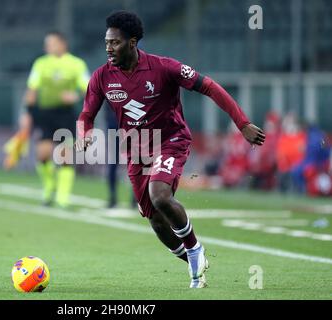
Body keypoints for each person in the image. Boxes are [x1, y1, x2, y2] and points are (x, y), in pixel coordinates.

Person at [75, 11, 265, 288]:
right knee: (156, 221)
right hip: (137, 151)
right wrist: (84, 134)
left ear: (132, 42)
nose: (108, 48)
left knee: (160, 195)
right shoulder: (102, 76)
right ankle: (194, 260)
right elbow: (86, 114)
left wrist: (243, 123)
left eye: (114, 42)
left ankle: (195, 248)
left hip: (170, 140)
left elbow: (210, 87)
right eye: (106, 42)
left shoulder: (164, 68)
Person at [4, 31, 90, 208]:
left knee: (65, 155)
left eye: (51, 43)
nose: (47, 47)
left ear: (63, 44)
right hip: (44, 113)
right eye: (47, 43)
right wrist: (26, 113)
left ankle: (63, 197)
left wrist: (75, 96)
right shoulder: (41, 63)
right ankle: (49, 185)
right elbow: (31, 90)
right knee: (43, 154)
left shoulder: (76, 64)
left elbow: (89, 89)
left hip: (65, 114)